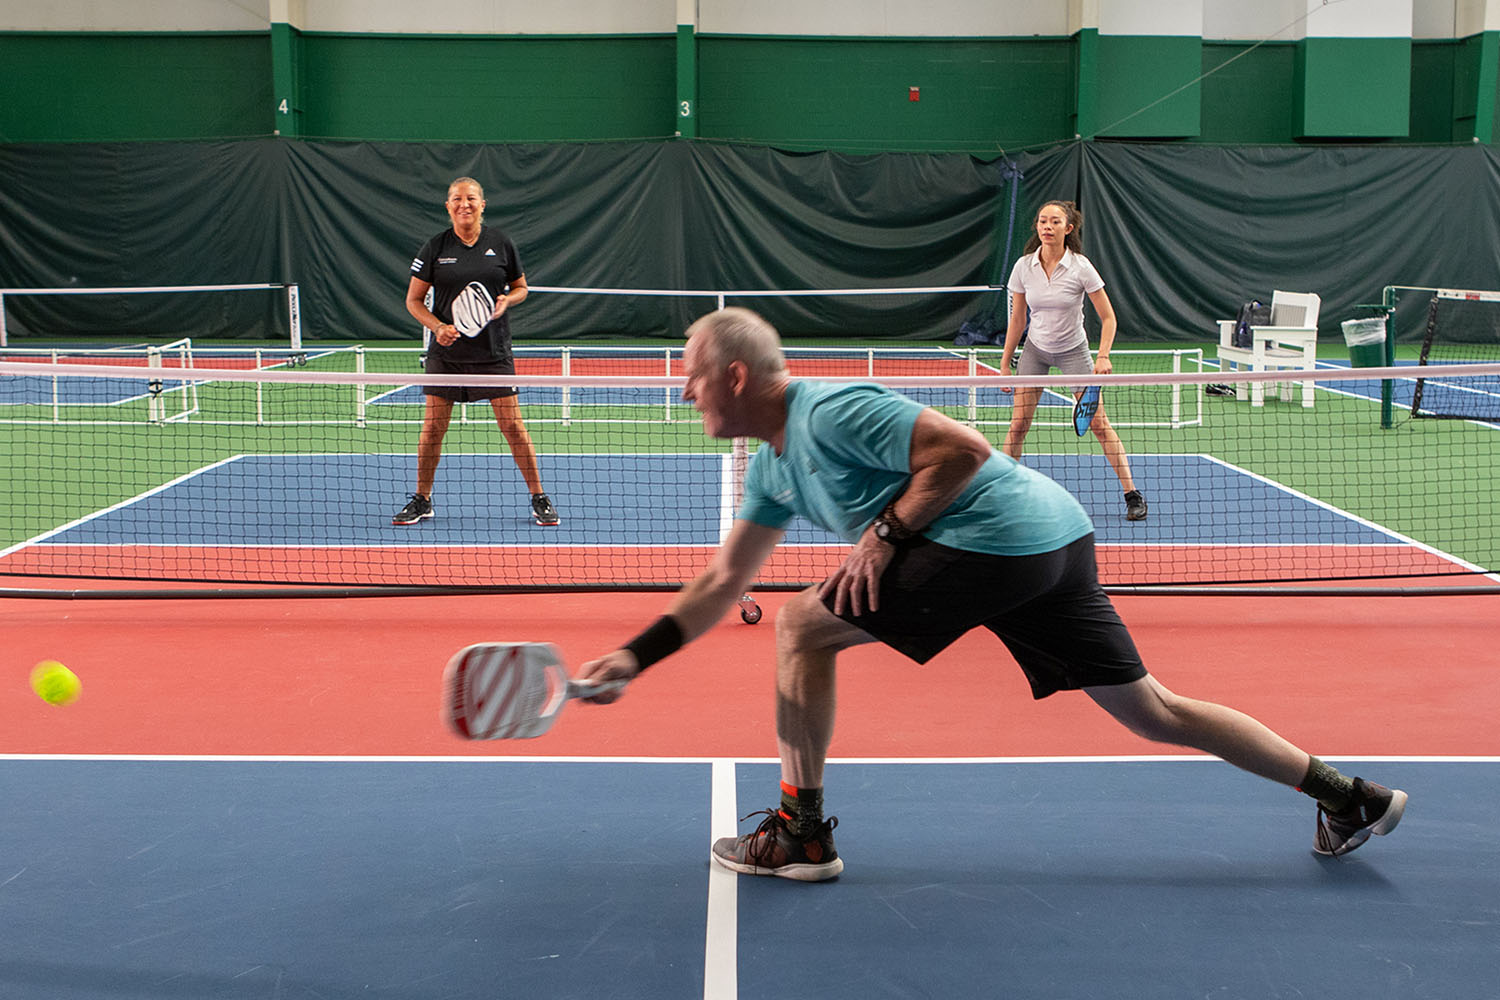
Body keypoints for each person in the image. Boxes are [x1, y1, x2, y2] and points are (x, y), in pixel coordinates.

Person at [576, 307, 1406, 881]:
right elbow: (723, 581)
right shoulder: (771, 465)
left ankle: (800, 834)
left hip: (997, 540)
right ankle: (1349, 798)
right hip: (1054, 541)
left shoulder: (828, 412)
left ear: (733, 375)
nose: (683, 392)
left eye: (690, 377)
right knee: (1154, 711)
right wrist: (633, 657)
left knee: (800, 625)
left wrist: (885, 533)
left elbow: (964, 449)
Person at [392, 176, 559, 528]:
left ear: (482, 204)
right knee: (433, 429)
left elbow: (521, 288)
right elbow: (413, 300)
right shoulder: (435, 247)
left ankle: (539, 496)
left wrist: (507, 300)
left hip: (493, 352)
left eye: (470, 198)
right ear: (448, 205)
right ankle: (422, 499)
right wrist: (437, 327)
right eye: (457, 198)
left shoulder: (501, 243)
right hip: (446, 354)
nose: (463, 204)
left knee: (512, 426)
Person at [1000, 200, 1147, 521]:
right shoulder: (1023, 266)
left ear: (1068, 228)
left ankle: (1132, 494)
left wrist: (1103, 356)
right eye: (1042, 221)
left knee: (1099, 425)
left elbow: (1108, 318)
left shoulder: (1081, 267)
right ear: (1037, 226)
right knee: (1018, 425)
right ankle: (1001, 492)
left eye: (1054, 222)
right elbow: (1017, 319)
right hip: (1035, 351)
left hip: (1074, 351)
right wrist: (1005, 363)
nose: (1047, 227)